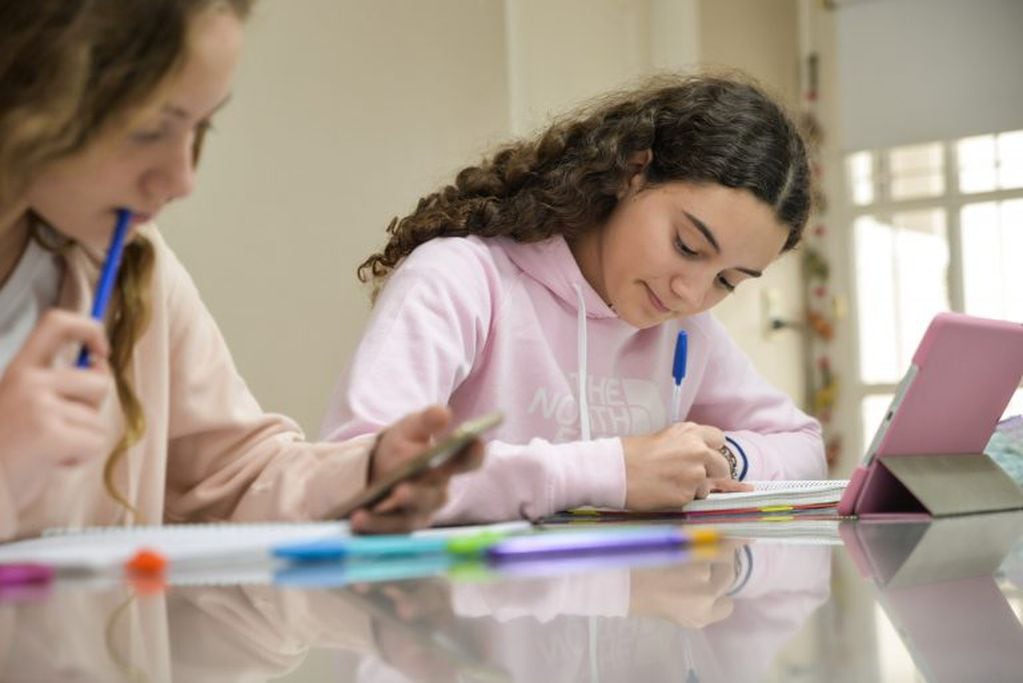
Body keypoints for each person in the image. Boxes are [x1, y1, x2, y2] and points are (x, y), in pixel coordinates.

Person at [0, 0, 480, 542]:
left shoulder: (136, 265)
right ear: (28, 91)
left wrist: (366, 476)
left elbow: (234, 477)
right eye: (150, 130)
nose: (183, 179)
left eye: (201, 126)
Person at [321, 73, 826, 523]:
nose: (690, 293)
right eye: (687, 246)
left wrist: (719, 457)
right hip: (453, 613)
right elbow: (360, 472)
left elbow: (806, 448)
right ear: (635, 171)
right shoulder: (461, 277)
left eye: (728, 281)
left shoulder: (684, 331)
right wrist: (610, 471)